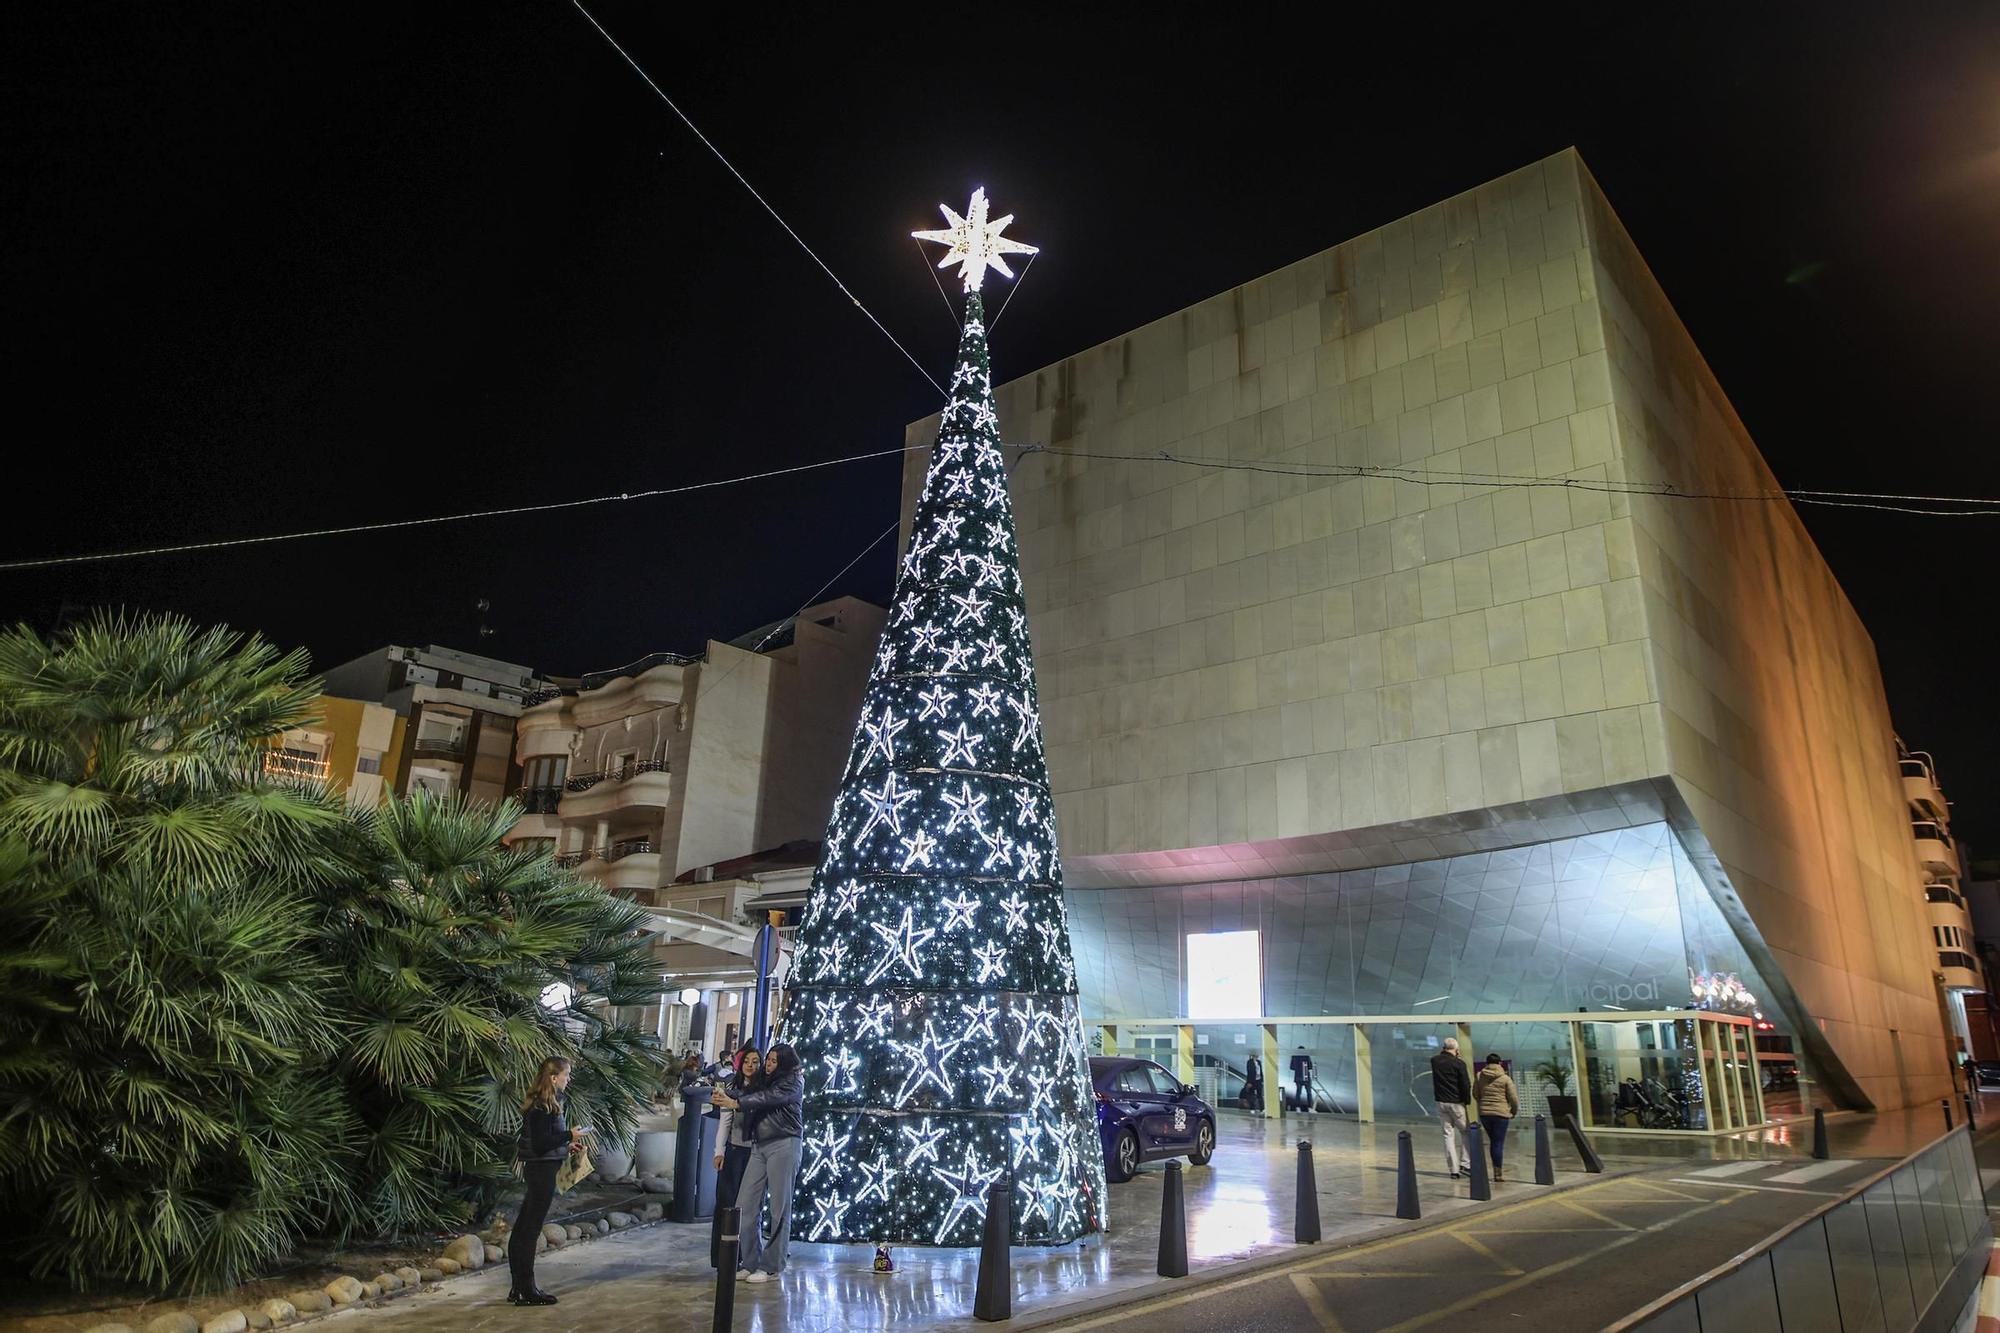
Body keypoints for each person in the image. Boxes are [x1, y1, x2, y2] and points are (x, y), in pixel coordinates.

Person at [712, 1043, 804, 1282]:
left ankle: (772, 1265)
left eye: (774, 1060)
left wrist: (737, 1103)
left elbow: (768, 1098)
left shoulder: (793, 1081)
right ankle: (751, 1262)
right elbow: (749, 1092)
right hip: (758, 1145)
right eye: (769, 1060)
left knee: (779, 1209)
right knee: (745, 1205)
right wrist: (728, 1095)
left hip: (783, 1143)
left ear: (784, 1062)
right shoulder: (765, 1079)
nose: (769, 1064)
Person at [509, 1056, 585, 1306]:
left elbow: (545, 1140)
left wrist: (567, 1144)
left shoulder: (545, 1103)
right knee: (529, 1230)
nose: (568, 1079)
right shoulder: (542, 1106)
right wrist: (568, 1134)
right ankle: (526, 1289)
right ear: (554, 1078)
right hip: (541, 1171)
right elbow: (541, 1144)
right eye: (566, 1074)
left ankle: (519, 1287)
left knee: (523, 1227)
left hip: (542, 1168)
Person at [709, 1044, 761, 1268]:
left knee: (750, 1206)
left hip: (757, 1152)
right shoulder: (732, 1086)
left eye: (755, 1062)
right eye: (747, 1061)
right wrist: (719, 1151)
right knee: (726, 1203)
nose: (751, 1065)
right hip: (735, 1150)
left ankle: (748, 1255)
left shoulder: (764, 1089)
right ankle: (724, 1258)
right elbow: (725, 1122)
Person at [1429, 1037, 1474, 1178]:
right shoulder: (1459, 1063)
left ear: (1443, 1048)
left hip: (1441, 1102)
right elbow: (1465, 1084)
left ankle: (1453, 1170)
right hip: (1456, 1102)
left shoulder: (1435, 1061)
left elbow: (1440, 1057)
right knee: (1466, 1132)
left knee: (1448, 1135)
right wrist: (1466, 1101)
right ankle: (1465, 1164)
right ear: (1456, 1049)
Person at [1474, 1053, 1519, 1181]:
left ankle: (1496, 1171)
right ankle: (1497, 1173)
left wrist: (1483, 1103)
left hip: (1485, 1114)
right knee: (1498, 1143)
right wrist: (1513, 1111)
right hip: (1501, 1114)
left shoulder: (1479, 1076)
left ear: (1486, 1063)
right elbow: (1513, 1098)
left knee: (1494, 1142)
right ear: (1499, 1063)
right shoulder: (1505, 1078)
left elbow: (1475, 1094)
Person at [1290, 1046, 1314, 1112]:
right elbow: (1310, 1066)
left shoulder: (1294, 1056)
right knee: (1309, 1092)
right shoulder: (1306, 1056)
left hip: (1298, 1076)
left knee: (1298, 1092)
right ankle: (1310, 1108)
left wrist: (1298, 1067)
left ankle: (1298, 1107)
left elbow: (1291, 1067)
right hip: (1306, 1076)